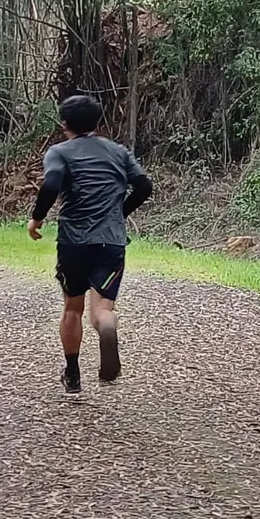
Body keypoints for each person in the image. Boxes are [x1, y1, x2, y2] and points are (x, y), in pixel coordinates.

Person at [27, 94, 153, 395]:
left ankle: (72, 374)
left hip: (73, 242)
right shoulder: (118, 151)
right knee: (102, 308)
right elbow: (144, 186)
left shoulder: (59, 152)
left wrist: (37, 218)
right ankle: (106, 325)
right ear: (98, 122)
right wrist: (119, 212)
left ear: (64, 123)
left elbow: (52, 183)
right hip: (110, 242)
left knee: (72, 308)